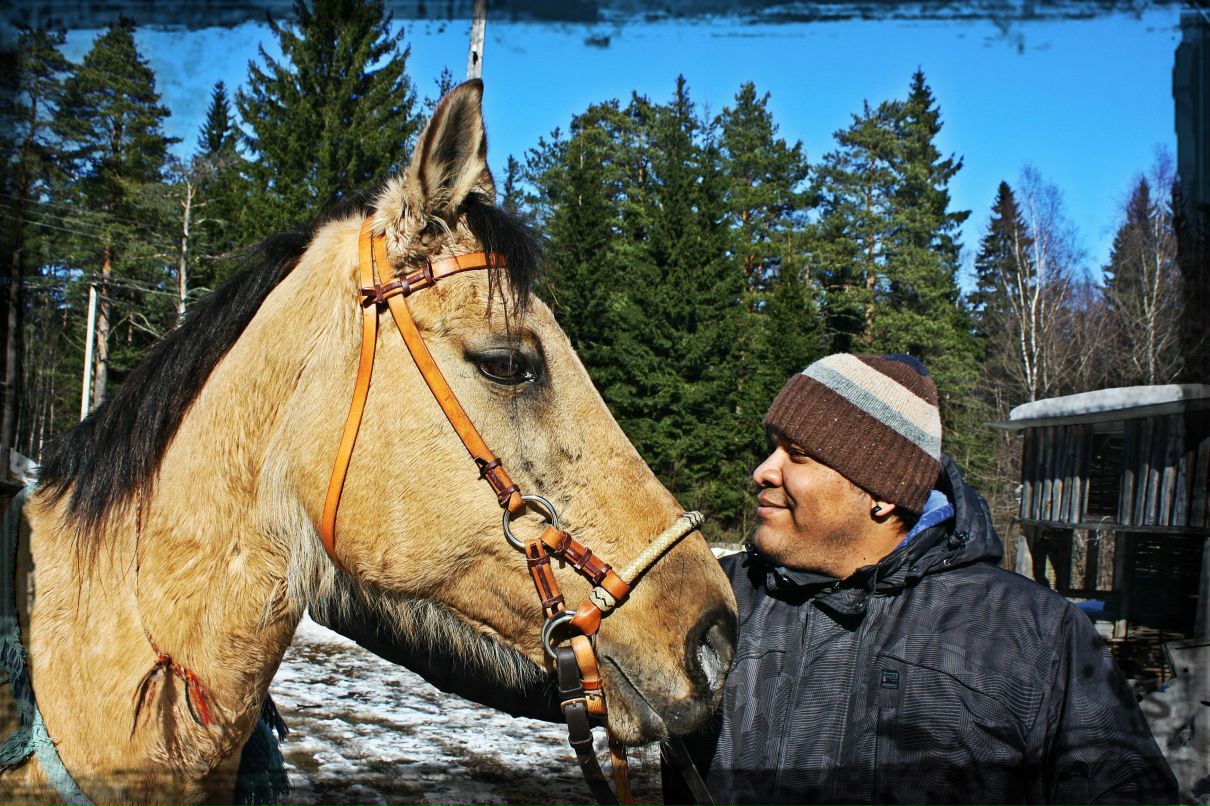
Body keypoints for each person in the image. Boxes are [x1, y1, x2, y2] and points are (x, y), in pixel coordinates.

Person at [313, 353, 1179, 805]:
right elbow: (544, 673)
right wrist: (333, 587)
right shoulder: (721, 604)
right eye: (771, 446)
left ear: (882, 493)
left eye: (797, 455)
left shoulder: (1035, 637)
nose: (762, 471)